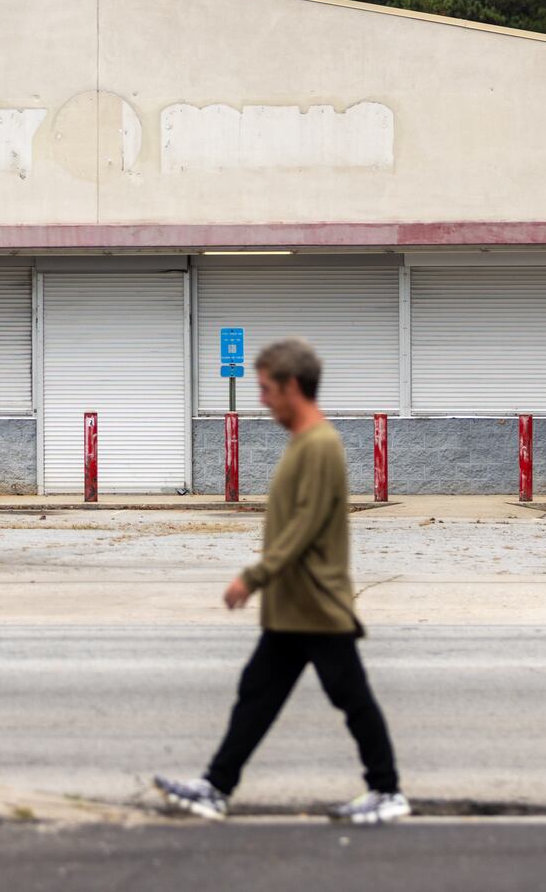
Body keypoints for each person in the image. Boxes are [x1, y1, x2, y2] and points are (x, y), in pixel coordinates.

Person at [154, 337, 407, 824]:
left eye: (267, 388)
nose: (262, 399)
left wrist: (252, 577)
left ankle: (387, 790)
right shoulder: (304, 442)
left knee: (350, 696)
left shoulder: (320, 445)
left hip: (314, 603)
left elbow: (305, 525)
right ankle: (216, 787)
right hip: (294, 606)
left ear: (293, 386)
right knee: (258, 691)